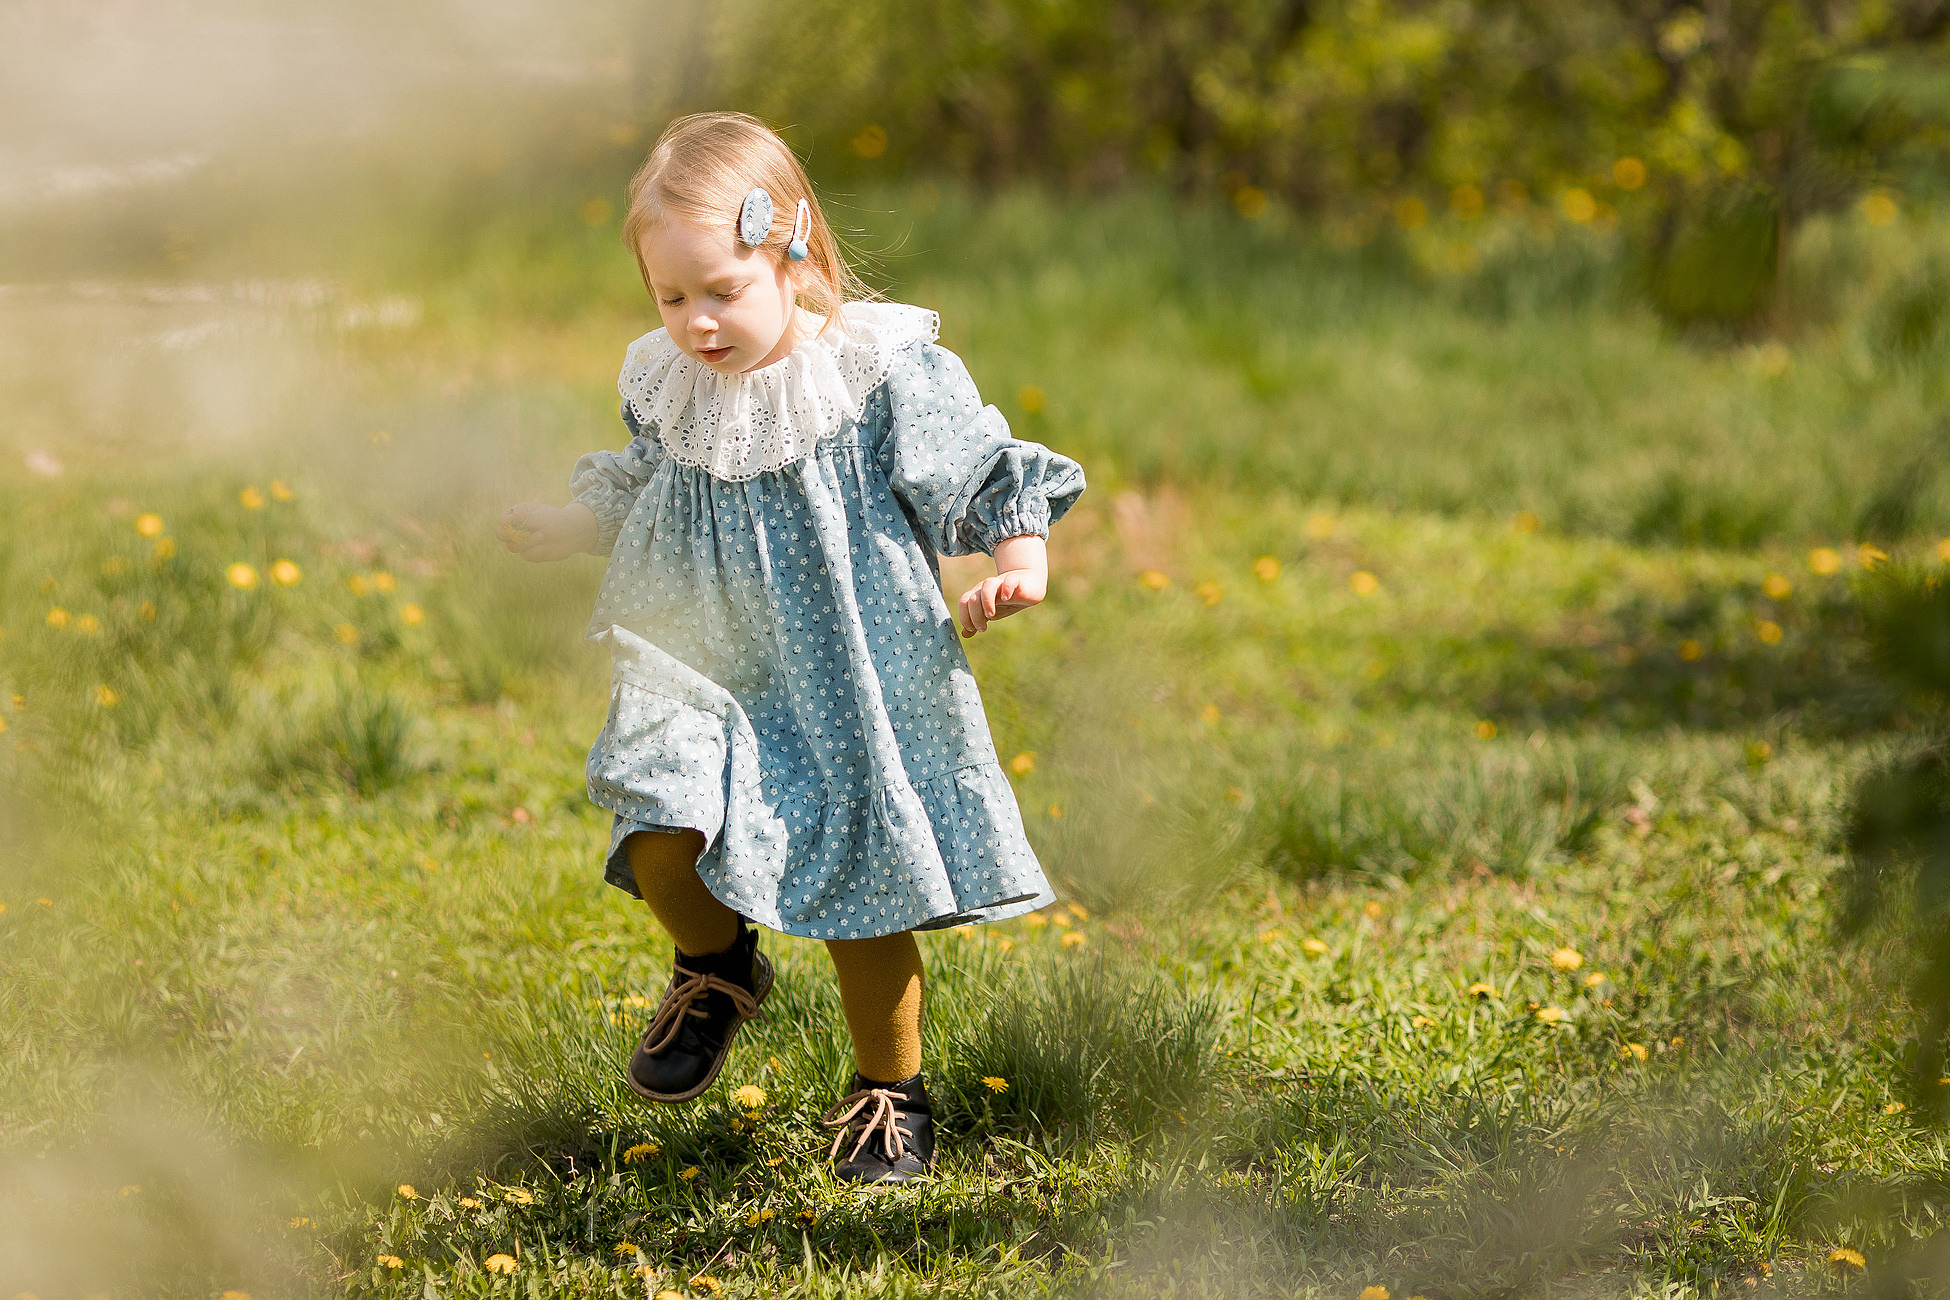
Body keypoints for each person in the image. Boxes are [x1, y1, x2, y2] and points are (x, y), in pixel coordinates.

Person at [499, 112, 1085, 1184]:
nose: (697, 322)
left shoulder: (873, 373)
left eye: (722, 292)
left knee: (863, 884)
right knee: (658, 823)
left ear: (793, 250)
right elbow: (646, 473)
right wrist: (576, 521)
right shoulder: (671, 381)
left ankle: (890, 1093)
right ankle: (718, 966)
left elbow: (975, 465)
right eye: (670, 298)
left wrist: (1019, 554)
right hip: (695, 654)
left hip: (844, 676)